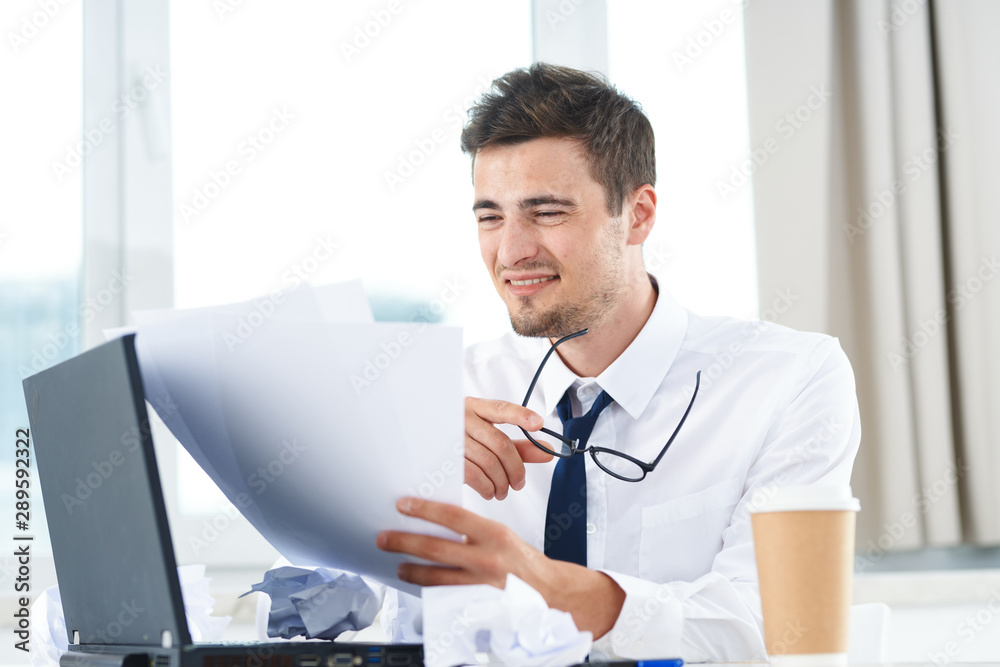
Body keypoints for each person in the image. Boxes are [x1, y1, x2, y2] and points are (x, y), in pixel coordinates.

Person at [375, 63, 861, 661]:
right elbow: (356, 616)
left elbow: (775, 626)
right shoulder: (449, 394)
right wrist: (392, 475)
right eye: (490, 216)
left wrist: (547, 586)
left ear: (639, 214)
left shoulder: (790, 379)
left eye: (547, 211)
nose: (512, 250)